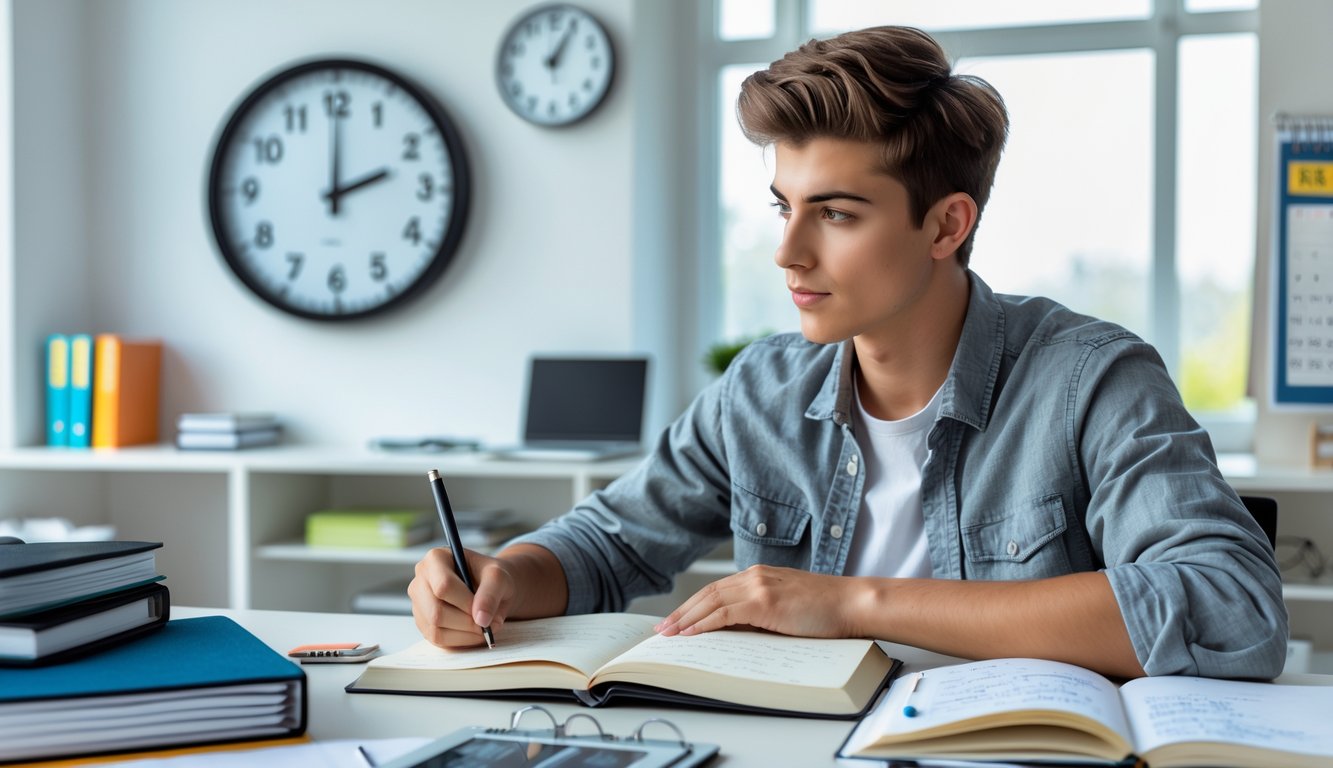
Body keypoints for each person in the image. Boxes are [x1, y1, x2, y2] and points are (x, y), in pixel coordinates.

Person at [410, 25, 1287, 680]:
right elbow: (606, 546)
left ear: (947, 223)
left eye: (834, 213)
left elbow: (1228, 606)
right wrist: (503, 579)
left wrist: (847, 603)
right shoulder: (759, 388)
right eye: (780, 207)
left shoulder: (1090, 379)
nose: (788, 252)